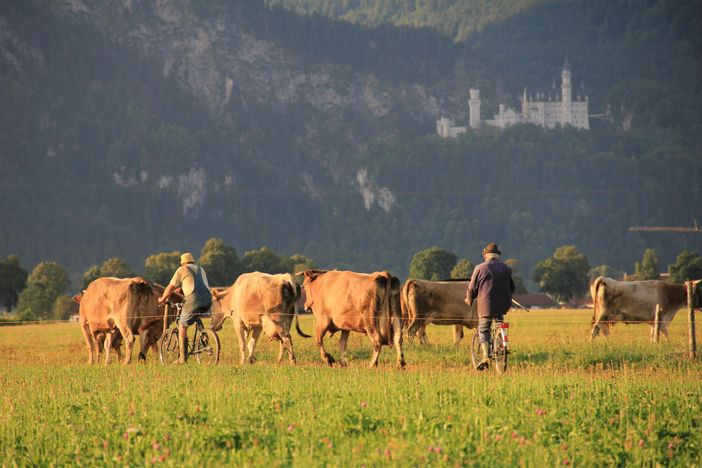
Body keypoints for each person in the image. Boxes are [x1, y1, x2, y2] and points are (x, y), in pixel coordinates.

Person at [158, 252, 216, 364]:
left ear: (183, 263)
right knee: (196, 316)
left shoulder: (181, 270)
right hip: (208, 299)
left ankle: (182, 359)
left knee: (182, 326)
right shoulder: (201, 269)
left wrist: (162, 299)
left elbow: (170, 288)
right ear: (193, 261)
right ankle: (204, 340)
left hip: (193, 300)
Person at [465, 243, 515, 370]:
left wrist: (469, 300)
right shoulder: (506, 268)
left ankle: (486, 357)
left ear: (485, 255)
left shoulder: (480, 268)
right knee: (499, 321)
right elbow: (512, 287)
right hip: (503, 305)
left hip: (486, 305)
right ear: (497, 256)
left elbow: (472, 288)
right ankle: (501, 342)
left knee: (483, 328)